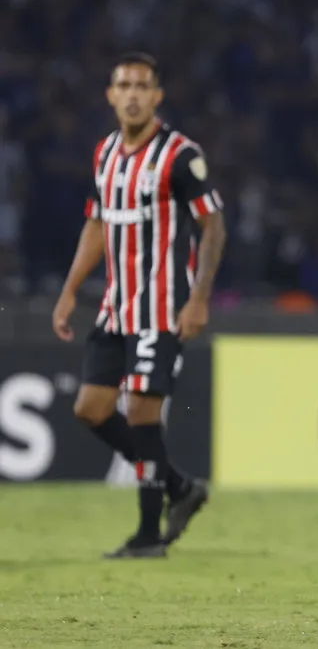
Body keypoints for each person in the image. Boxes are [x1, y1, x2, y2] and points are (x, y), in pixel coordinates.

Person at [52, 52, 226, 558]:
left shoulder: (179, 154)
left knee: (142, 412)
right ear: (110, 94)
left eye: (141, 85)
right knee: (90, 408)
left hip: (163, 308)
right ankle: (179, 486)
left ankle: (149, 536)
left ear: (157, 96)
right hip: (116, 307)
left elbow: (212, 225)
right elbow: (96, 224)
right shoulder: (105, 152)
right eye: (123, 84)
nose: (131, 94)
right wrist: (68, 290)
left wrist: (198, 299)